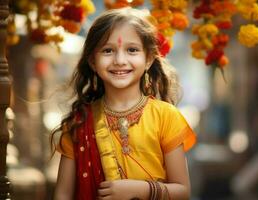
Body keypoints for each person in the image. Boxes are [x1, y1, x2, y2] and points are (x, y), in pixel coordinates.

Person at [51, 7, 196, 200]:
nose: (120, 60)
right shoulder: (80, 122)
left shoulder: (166, 116)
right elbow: (62, 195)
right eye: (108, 50)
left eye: (132, 50)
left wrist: (141, 190)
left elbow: (182, 191)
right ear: (93, 61)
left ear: (149, 59)